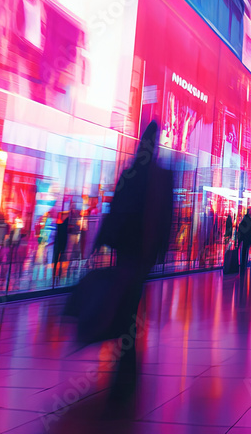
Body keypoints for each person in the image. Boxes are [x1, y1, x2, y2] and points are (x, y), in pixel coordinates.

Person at [99, 121, 174, 400]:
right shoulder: (158, 175)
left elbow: (116, 208)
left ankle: (126, 362)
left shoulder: (133, 172)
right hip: (140, 251)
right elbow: (165, 214)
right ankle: (127, 361)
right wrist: (160, 248)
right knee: (131, 304)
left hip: (129, 250)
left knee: (128, 305)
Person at [237, 209, 251, 277]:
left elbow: (240, 230)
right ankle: (244, 264)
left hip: (243, 239)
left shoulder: (243, 221)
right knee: (246, 250)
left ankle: (242, 265)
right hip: (248, 239)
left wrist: (239, 240)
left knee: (243, 251)